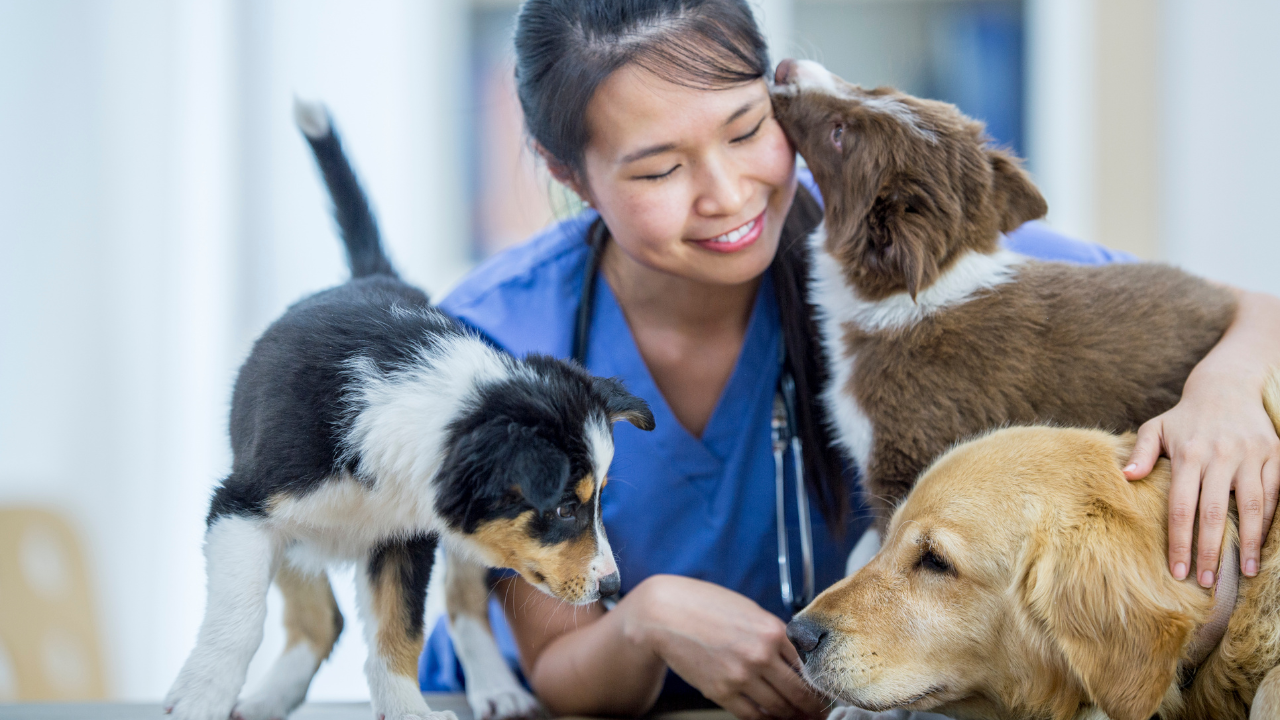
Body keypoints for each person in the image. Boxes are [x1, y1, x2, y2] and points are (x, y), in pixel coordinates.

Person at [420, 1, 1280, 718]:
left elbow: (1254, 313)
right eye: (657, 170)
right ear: (568, 171)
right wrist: (644, 618)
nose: (726, 194)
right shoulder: (493, 347)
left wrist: (1232, 385)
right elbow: (557, 674)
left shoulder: (897, 248)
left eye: (746, 129)